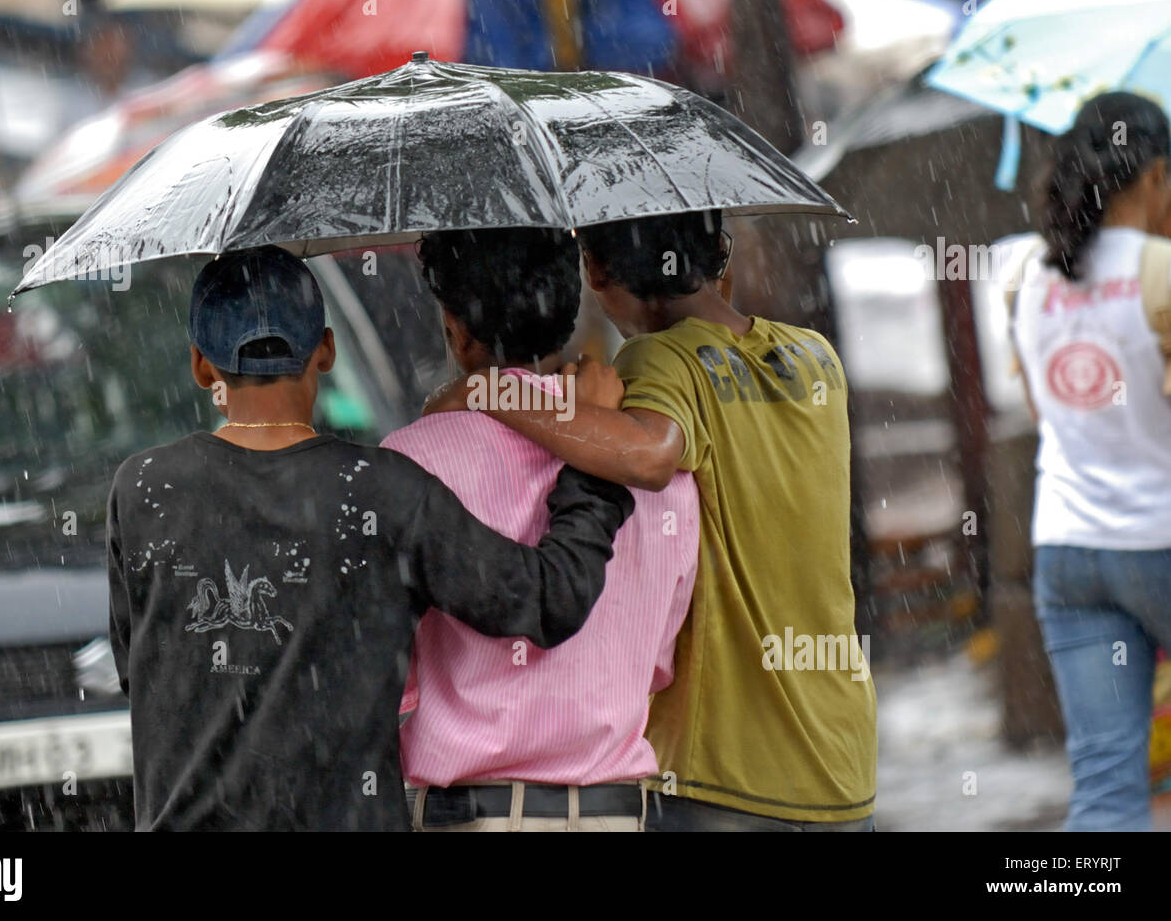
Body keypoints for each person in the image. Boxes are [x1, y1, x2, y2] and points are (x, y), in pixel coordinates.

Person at [106, 245, 635, 831]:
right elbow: (547, 599)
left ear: (202, 367)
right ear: (326, 351)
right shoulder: (381, 491)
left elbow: (140, 671)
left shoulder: (141, 489)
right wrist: (595, 456)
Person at [429, 210, 877, 830]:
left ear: (596, 270)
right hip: (843, 754)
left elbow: (646, 453)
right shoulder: (814, 358)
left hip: (725, 770)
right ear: (720, 253)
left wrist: (488, 391)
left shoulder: (661, 361)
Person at [383, 227, 699, 832]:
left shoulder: (407, 463)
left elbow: (391, 673)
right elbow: (659, 664)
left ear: (455, 326)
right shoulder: (660, 474)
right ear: (569, 305)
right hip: (613, 814)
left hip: (468, 815)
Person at [1006, 92, 1171, 830]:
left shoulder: (1033, 279)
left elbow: (1052, 417)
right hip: (1159, 537)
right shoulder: (1160, 270)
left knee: (1106, 785)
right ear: (1157, 177)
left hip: (1070, 552)